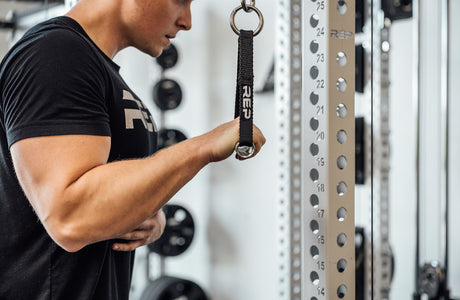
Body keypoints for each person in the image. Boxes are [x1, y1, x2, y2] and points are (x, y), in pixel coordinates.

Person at [0, 0, 266, 298]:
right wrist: (204, 146)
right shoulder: (55, 53)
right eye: (180, 2)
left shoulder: (95, 66)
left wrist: (150, 214)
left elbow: (102, 192)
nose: (187, 21)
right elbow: (70, 217)